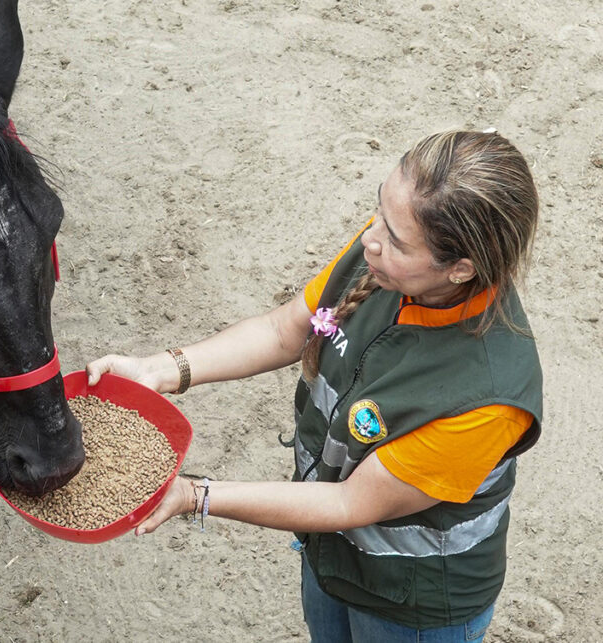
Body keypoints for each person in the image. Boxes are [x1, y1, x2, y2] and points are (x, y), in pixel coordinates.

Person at [86, 130, 542, 641]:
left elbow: (350, 504)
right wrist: (162, 369)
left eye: (396, 239)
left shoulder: (488, 398)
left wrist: (195, 495)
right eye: (379, 212)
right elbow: (284, 330)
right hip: (332, 552)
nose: (370, 238)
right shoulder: (380, 262)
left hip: (414, 602)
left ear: (461, 268)